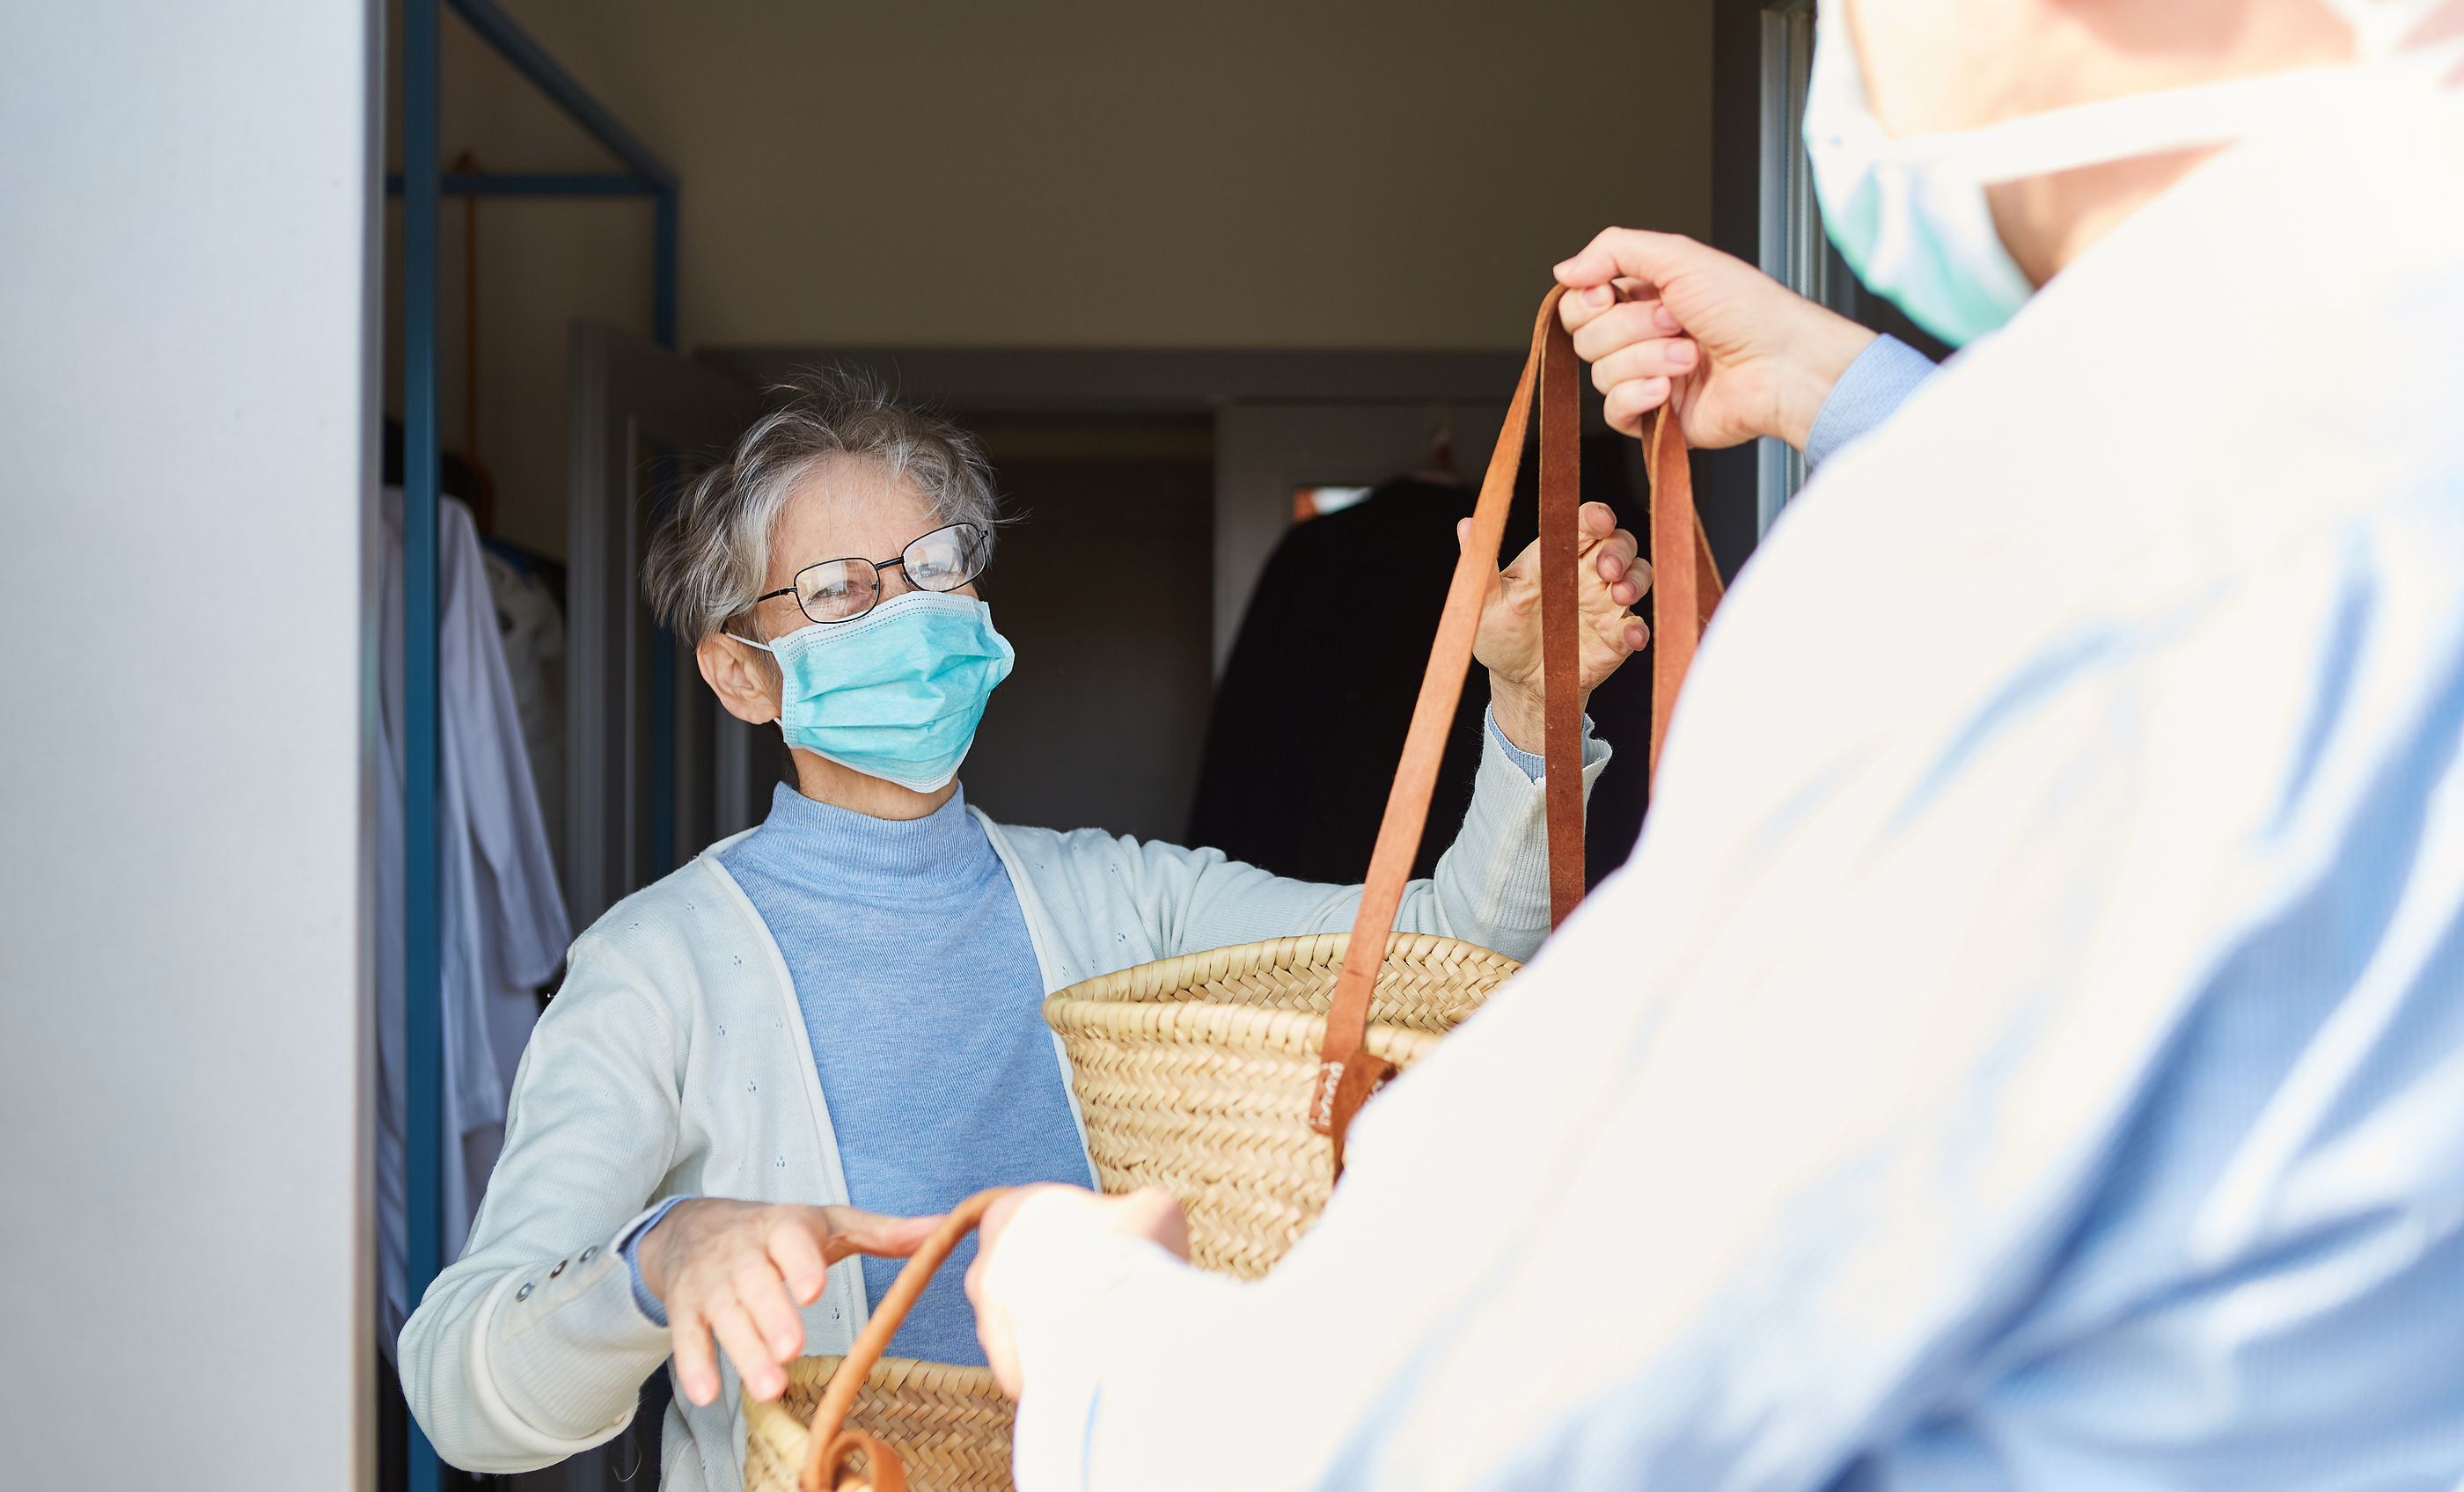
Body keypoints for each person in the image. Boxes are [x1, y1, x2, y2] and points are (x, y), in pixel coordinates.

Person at [960, 2, 2464, 1488]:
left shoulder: (2043, 572)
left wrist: (1089, 1328)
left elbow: (1464, 1432)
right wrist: (1853, 396)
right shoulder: (2339, 422)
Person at [396, 368, 1653, 1488]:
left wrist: (1530, 708)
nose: (906, 613)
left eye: (934, 566)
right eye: (837, 593)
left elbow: (1454, 967)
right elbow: (462, 1390)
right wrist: (659, 1258)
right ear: (741, 675)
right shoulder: (653, 971)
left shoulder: (1122, 904)